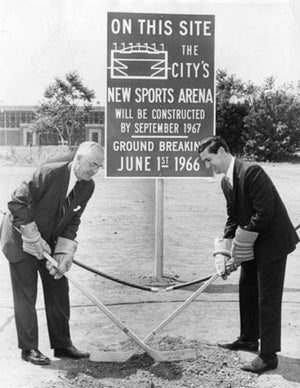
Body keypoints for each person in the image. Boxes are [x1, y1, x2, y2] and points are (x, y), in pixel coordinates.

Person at [198, 136, 299, 374]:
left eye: (208, 159)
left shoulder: (252, 172)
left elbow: (265, 213)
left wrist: (240, 246)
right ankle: (248, 338)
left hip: (272, 243)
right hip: (253, 242)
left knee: (268, 299)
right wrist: (224, 251)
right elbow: (233, 218)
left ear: (222, 151)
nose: (207, 165)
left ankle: (268, 356)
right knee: (247, 288)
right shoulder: (226, 183)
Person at [0, 141, 104, 366]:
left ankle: (62, 345)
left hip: (50, 242)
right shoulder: (49, 173)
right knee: (26, 294)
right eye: (93, 164)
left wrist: (63, 252)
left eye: (99, 167)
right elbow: (16, 203)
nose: (95, 170)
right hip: (21, 239)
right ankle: (29, 349)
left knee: (59, 287)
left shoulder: (87, 186)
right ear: (78, 159)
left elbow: (73, 219)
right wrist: (32, 236)